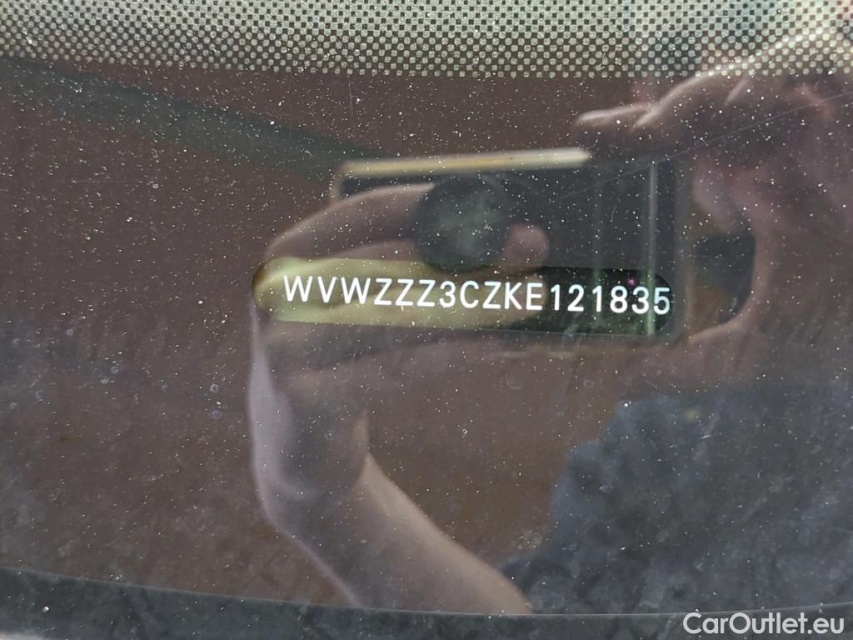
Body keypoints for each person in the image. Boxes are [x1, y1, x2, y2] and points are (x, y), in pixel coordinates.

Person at [247, 30, 853, 616]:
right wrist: (324, 502)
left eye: (760, 22)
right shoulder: (670, 438)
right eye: (675, 53)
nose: (730, 75)